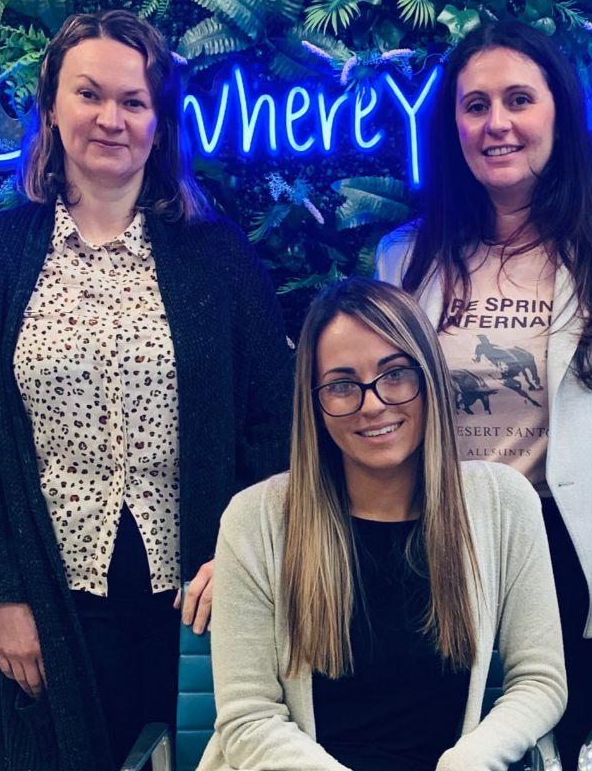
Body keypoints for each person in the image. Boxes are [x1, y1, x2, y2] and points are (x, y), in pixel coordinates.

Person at [0, 10, 292, 770]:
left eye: (134, 101)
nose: (110, 119)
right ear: (52, 107)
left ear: (160, 123)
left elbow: (274, 422)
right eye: (89, 94)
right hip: (47, 603)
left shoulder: (219, 257)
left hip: (197, 601)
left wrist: (241, 555)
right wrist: (0, 596)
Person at [375, 20, 592, 764]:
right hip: (438, 535)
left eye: (519, 100)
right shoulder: (405, 257)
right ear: (453, 126)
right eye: (475, 105)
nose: (497, 123)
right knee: (437, 742)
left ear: (559, 113)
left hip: (572, 541)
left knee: (556, 746)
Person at [195, 277, 566, 771]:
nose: (372, 404)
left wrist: (470, 761)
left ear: (430, 379)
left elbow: (540, 681)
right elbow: (249, 718)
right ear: (314, 402)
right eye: (341, 385)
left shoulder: (504, 502)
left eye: (395, 374)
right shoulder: (254, 519)